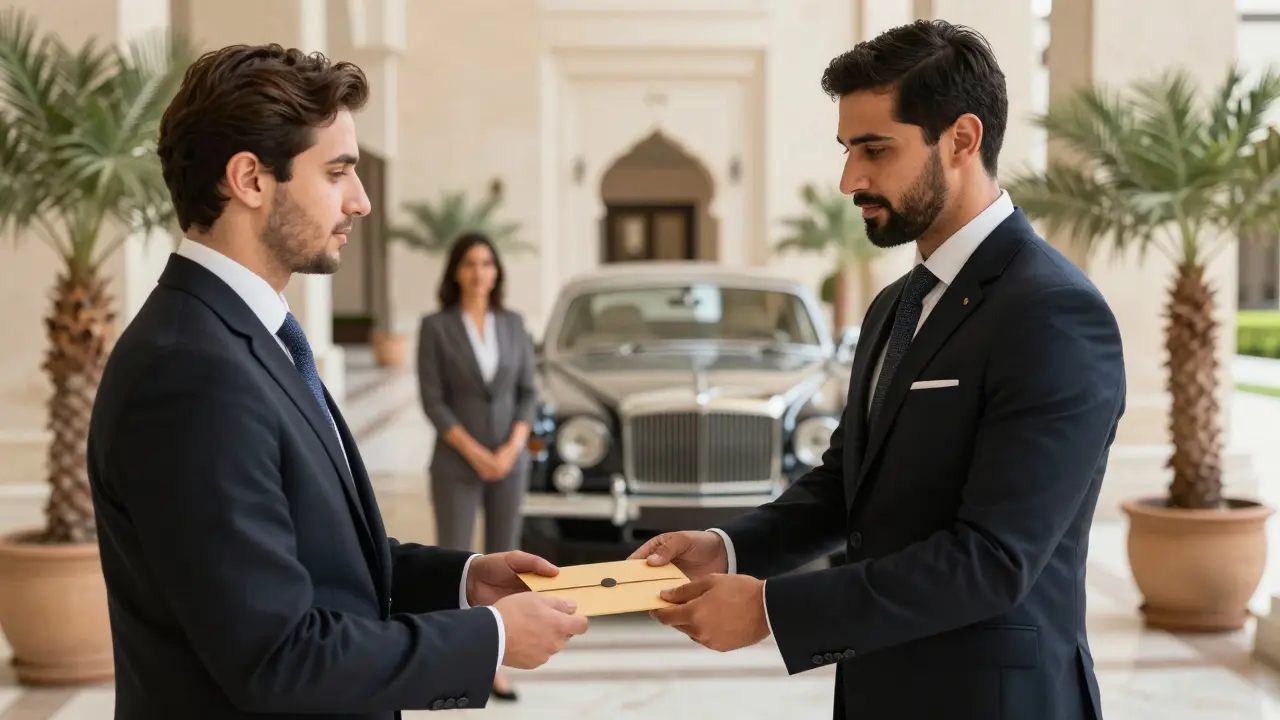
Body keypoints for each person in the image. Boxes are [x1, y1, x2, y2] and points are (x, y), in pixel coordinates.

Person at [630, 20, 1124, 720]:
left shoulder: (1053, 313)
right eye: (847, 150)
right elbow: (847, 485)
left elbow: (993, 560)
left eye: (875, 149)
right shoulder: (895, 305)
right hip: (877, 689)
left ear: (962, 139)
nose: (849, 180)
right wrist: (728, 548)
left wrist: (772, 609)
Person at [87, 44, 587, 719]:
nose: (362, 201)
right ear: (250, 179)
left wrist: (465, 582)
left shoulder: (245, 336)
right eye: (337, 172)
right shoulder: (191, 372)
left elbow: (318, 557)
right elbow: (278, 658)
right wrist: (490, 638)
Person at [417, 232, 538, 702]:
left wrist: (511, 448)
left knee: (507, 563)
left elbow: (528, 392)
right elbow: (433, 400)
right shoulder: (436, 326)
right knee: (455, 562)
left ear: (496, 272)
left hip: (510, 462)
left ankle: (496, 665)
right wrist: (476, 453)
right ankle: (454, 662)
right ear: (455, 271)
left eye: (487, 263)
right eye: (469, 263)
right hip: (456, 463)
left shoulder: (514, 324)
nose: (478, 272)